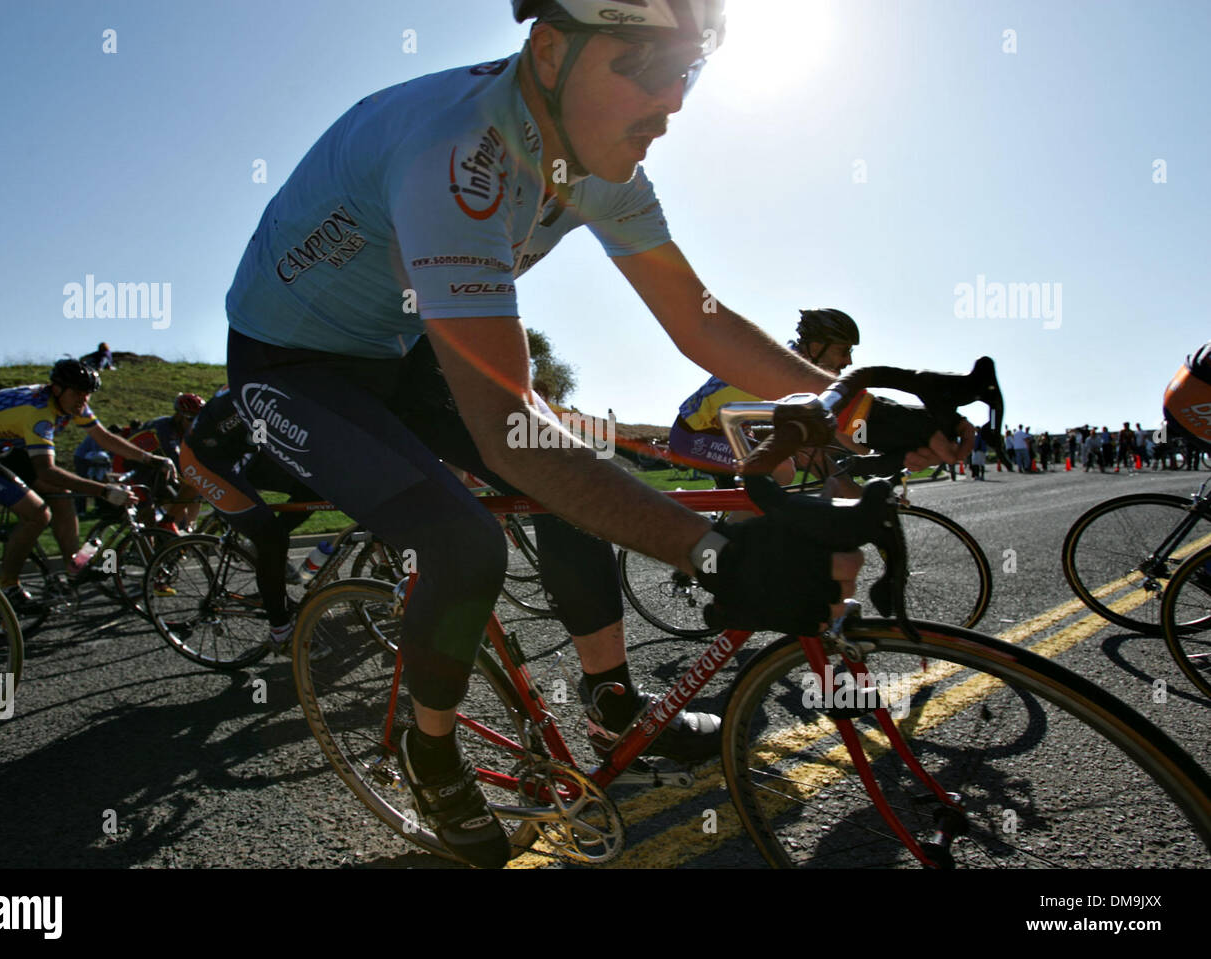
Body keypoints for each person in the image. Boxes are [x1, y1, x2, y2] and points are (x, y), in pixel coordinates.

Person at [222, 0, 971, 868]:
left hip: (396, 342)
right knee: (466, 545)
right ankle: (429, 750)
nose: (675, 101)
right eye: (647, 68)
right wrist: (715, 552)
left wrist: (857, 404)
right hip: (290, 364)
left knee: (579, 471)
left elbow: (700, 323)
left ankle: (613, 697)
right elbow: (508, 428)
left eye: (687, 71)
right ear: (548, 51)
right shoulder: (455, 156)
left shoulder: (601, 162)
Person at [0, 360, 176, 612]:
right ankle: (7, 586)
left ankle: (73, 568)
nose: (82, 400)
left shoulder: (71, 403)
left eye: (87, 394)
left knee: (62, 497)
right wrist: (104, 491)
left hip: (3, 446)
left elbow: (104, 437)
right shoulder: (38, 413)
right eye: (77, 393)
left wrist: (151, 459)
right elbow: (48, 471)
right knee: (37, 514)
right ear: (57, 388)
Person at [179, 387, 329, 651]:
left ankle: (262, 551)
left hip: (246, 451)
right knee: (271, 537)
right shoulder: (265, 386)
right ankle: (281, 633)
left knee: (315, 489)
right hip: (204, 460)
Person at [668, 308, 861, 492]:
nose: (848, 362)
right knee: (781, 468)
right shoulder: (790, 373)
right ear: (818, 346)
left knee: (781, 467)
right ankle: (736, 525)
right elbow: (838, 438)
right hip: (692, 436)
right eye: (843, 351)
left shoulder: (793, 363)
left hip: (724, 432)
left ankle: (733, 520)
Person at [113, 392, 207, 530]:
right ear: (178, 416)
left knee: (184, 502)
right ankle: (150, 542)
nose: (194, 424)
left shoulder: (183, 430)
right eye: (191, 419)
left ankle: (178, 533)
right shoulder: (164, 431)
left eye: (197, 420)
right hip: (127, 466)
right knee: (148, 516)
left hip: (150, 469)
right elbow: (176, 460)